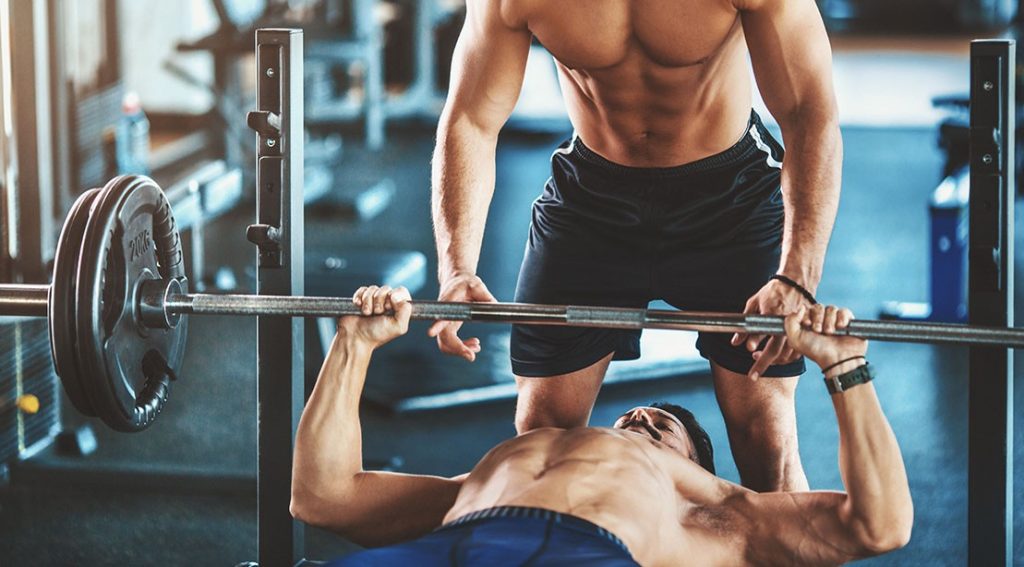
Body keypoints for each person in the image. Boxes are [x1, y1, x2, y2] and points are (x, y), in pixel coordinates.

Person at [428, 0, 842, 492]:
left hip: (731, 201)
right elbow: (471, 118)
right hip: (593, 202)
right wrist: (456, 267)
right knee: (541, 438)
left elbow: (808, 113)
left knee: (765, 441)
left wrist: (797, 275)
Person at [291, 286, 912, 566]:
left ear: (692, 468)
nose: (641, 415)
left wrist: (845, 364)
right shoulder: (474, 483)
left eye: (663, 428)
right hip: (453, 545)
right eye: (637, 416)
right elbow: (323, 497)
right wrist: (354, 345)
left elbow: (879, 526)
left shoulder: (719, 515)